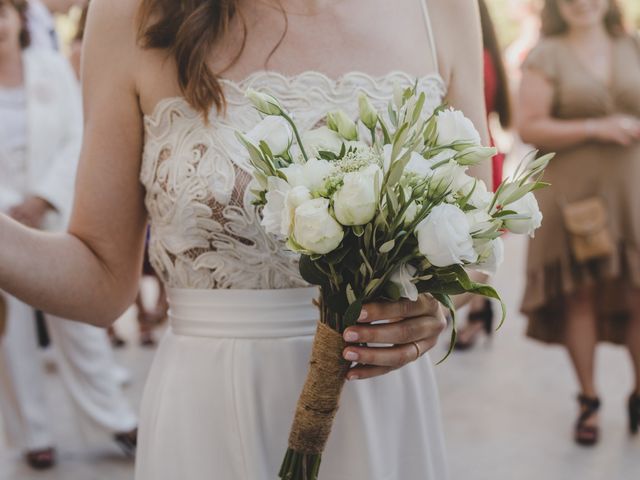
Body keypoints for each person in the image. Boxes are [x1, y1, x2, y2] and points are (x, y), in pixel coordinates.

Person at [0, 0, 490, 477]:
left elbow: (478, 237)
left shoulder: (443, 7)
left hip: (379, 406)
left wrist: (437, 303)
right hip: (212, 410)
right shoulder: (131, 12)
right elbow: (100, 281)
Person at [0, 0, 137, 469]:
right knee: (9, 334)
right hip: (1, 220)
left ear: (19, 18)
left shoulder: (50, 68)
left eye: (2, 12)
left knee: (79, 324)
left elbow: (81, 132)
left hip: (53, 210)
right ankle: (33, 433)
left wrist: (42, 197)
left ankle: (115, 418)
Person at [518, 0, 640, 446]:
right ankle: (588, 399)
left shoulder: (632, 45)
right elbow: (528, 127)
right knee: (580, 297)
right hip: (571, 194)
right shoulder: (546, 53)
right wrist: (597, 127)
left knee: (637, 292)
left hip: (632, 195)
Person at [455, 0, 512, 351]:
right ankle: (480, 306)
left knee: (474, 238)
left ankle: (477, 308)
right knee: (478, 235)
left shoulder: (473, 55)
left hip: (469, 150)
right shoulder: (490, 53)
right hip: (485, 147)